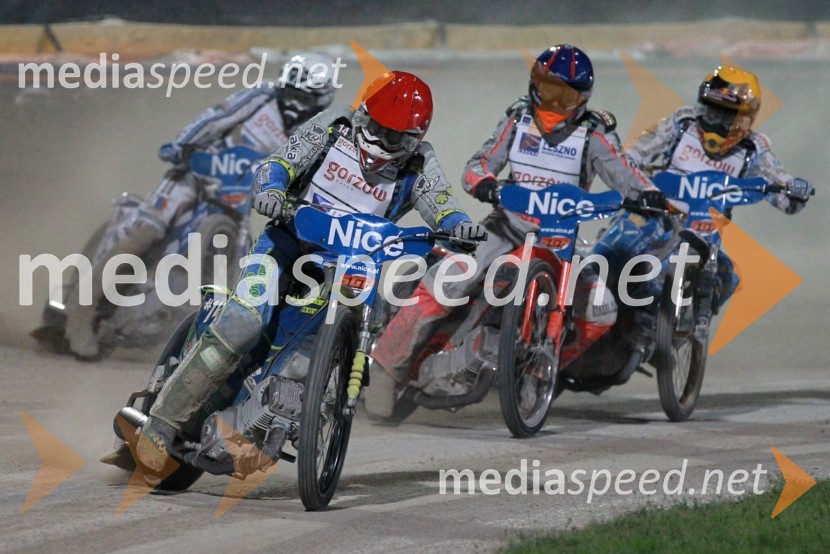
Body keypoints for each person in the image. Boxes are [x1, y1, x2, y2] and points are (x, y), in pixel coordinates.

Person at [134, 71, 487, 472]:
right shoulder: (334, 126)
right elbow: (279, 162)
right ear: (363, 115)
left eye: (394, 137)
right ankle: (160, 425)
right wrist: (271, 190)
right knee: (242, 324)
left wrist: (460, 225)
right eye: (376, 128)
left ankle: (293, 413)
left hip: (352, 266)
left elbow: (442, 202)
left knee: (352, 329)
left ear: (414, 138)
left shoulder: (420, 162)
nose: (380, 142)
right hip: (285, 244)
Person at [365, 45, 665, 418]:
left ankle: (539, 368)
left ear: (583, 99)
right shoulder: (518, 120)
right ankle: (386, 368)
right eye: (547, 89)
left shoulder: (595, 135)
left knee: (600, 312)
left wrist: (648, 194)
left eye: (564, 95)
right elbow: (478, 164)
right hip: (505, 227)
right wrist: (485, 183)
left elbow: (623, 172)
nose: (552, 102)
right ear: (533, 84)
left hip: (561, 240)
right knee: (446, 282)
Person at [62, 52, 338, 359]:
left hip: (242, 196)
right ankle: (80, 315)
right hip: (195, 175)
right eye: (291, 94)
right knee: (147, 230)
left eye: (305, 98)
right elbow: (214, 118)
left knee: (249, 256)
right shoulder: (260, 97)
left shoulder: (318, 130)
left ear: (322, 99)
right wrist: (182, 145)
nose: (295, 104)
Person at [593, 64, 814, 349]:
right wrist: (633, 172)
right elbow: (637, 151)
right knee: (613, 250)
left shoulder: (754, 150)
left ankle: (670, 327)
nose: (716, 123)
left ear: (746, 119)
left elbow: (782, 189)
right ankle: (582, 305)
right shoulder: (681, 123)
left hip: (702, 233)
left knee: (728, 275)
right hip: (653, 213)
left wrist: (795, 190)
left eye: (727, 117)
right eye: (711, 111)